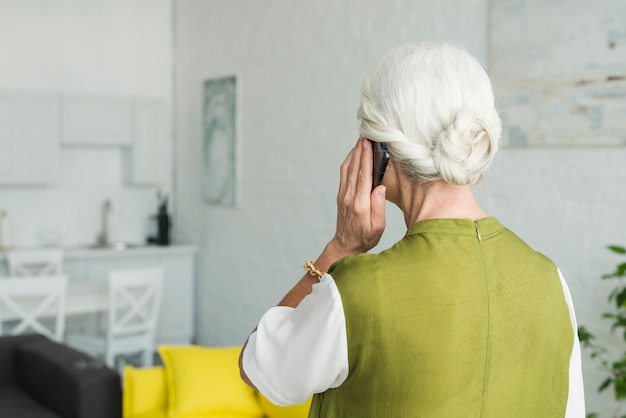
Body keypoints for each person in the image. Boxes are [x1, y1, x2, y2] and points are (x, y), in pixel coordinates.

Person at [239, 41, 585, 417]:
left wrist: (340, 247)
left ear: (377, 149)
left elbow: (256, 367)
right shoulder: (552, 282)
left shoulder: (357, 291)